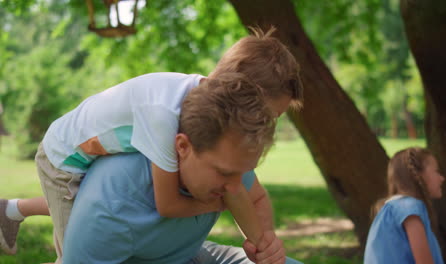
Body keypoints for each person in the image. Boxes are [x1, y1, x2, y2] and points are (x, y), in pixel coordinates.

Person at [0, 27, 303, 262]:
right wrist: (221, 201)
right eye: (265, 113)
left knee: (87, 206)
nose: (263, 125)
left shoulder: (210, 120)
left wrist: (264, 244)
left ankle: (12, 210)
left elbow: (249, 193)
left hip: (91, 152)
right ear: (237, 91)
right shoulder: (167, 118)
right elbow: (167, 204)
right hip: (63, 157)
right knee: (75, 249)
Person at [61, 74, 302, 263]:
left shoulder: (228, 160)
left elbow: (256, 198)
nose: (236, 187)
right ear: (182, 146)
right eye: (226, 173)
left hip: (193, 255)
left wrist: (266, 244)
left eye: (244, 171)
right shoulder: (111, 204)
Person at [364, 147, 445, 264]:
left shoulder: (395, 208)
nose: (442, 178)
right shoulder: (410, 208)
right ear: (418, 175)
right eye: (437, 171)